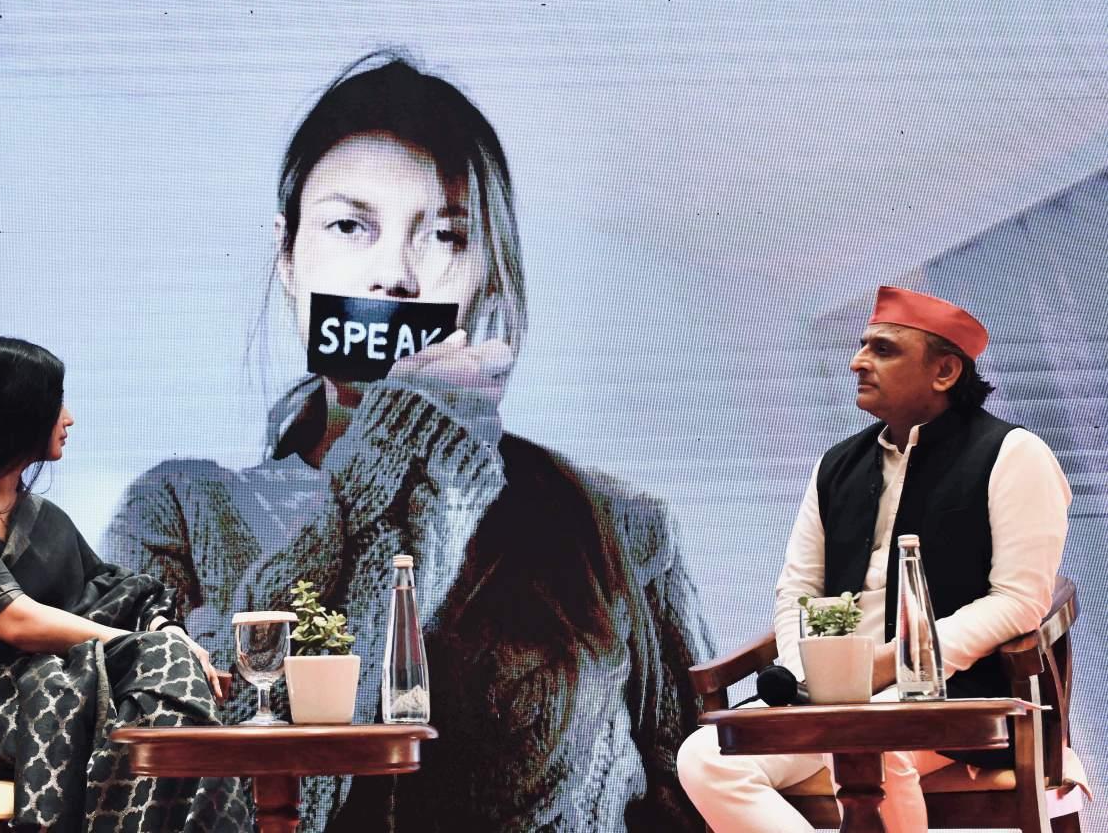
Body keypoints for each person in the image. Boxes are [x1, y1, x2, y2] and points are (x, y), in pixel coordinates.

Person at [104, 52, 712, 832]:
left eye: (446, 236)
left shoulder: (620, 523)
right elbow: (195, 801)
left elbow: (692, 789)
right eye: (349, 226)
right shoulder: (179, 511)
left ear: (487, 272)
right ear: (288, 257)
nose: (394, 276)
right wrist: (394, 454)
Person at [675, 286, 1073, 832]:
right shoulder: (836, 464)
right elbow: (798, 590)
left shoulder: (1014, 454)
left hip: (956, 699)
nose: (857, 362)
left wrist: (895, 666)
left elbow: (1018, 601)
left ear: (945, 371)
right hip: (832, 701)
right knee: (705, 758)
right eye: (863, 346)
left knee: (876, 745)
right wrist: (807, 676)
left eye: (883, 349)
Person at [0, 337, 249, 833]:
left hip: (44, 698)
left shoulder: (43, 518)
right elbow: (16, 621)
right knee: (157, 700)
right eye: (57, 403)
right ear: (19, 412)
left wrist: (167, 630)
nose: (68, 419)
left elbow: (115, 592)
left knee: (162, 695)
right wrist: (139, 644)